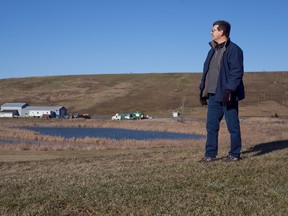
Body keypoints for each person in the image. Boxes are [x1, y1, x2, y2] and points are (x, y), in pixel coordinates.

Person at [199, 20, 245, 162]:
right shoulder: (212, 50)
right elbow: (207, 72)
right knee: (211, 127)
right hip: (213, 95)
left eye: (213, 29)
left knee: (233, 126)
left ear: (222, 32)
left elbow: (237, 72)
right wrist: (202, 91)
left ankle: (234, 154)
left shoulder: (234, 50)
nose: (211, 32)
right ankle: (210, 155)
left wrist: (229, 90)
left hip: (227, 95)